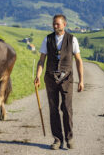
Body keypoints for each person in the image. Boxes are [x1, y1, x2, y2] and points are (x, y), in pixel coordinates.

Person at [34, 14, 84, 150]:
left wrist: (81, 80)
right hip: (50, 79)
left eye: (58, 24)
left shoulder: (72, 40)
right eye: (54, 24)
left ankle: (69, 137)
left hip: (67, 79)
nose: (55, 26)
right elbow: (41, 60)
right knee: (53, 109)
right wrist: (38, 75)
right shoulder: (47, 39)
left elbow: (78, 60)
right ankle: (57, 139)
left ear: (64, 25)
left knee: (67, 108)